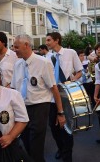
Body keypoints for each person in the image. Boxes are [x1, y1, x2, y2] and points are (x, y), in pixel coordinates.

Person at [11, 34, 66, 162]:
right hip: (22, 108)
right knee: (26, 143)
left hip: (40, 107)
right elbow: (14, 89)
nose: (14, 49)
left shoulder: (43, 63)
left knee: (36, 145)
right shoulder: (17, 65)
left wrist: (60, 112)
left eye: (16, 47)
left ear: (26, 45)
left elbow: (54, 89)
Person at [46, 32, 82, 162]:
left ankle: (67, 156)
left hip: (66, 96)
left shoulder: (70, 52)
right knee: (53, 128)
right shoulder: (48, 56)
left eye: (49, 40)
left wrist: (72, 82)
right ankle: (61, 148)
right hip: (51, 97)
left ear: (57, 40)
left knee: (66, 128)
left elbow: (79, 71)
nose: (47, 42)